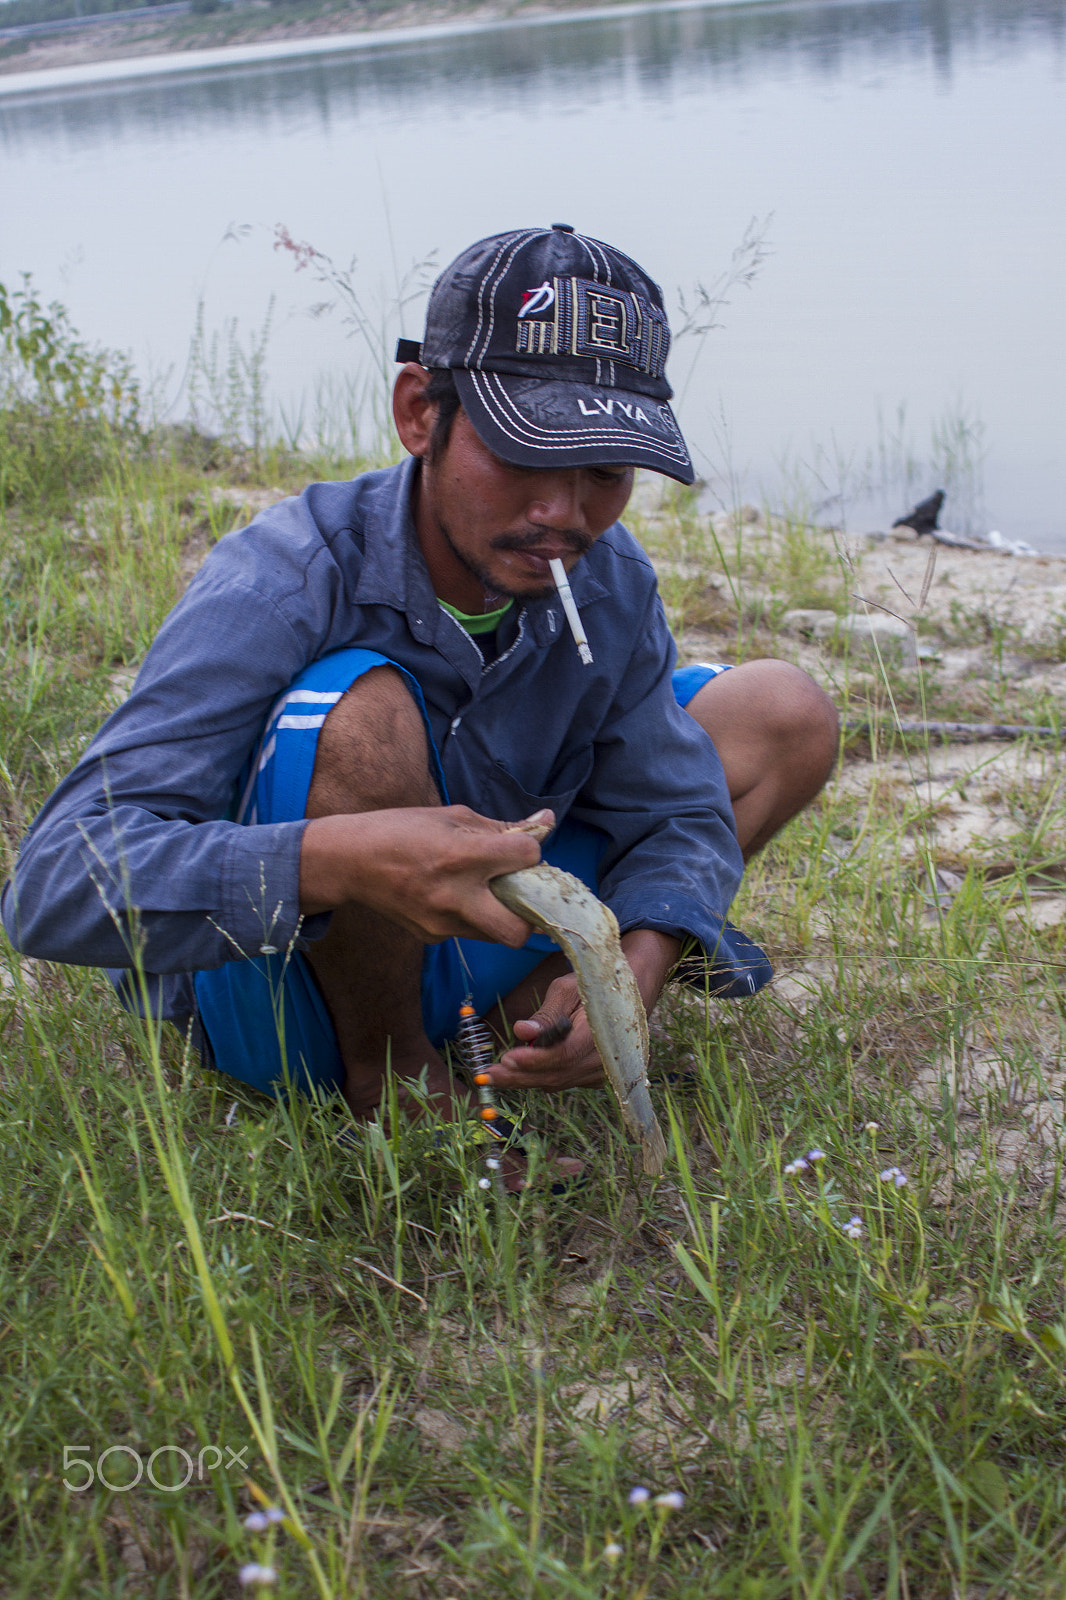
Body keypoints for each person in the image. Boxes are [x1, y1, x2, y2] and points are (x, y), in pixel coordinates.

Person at [1, 225, 837, 1187]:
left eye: (606, 471)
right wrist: (338, 860)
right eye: (526, 454)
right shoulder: (279, 579)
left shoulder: (606, 579)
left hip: (476, 933)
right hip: (280, 991)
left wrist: (641, 961)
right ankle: (395, 1081)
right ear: (417, 412)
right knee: (355, 710)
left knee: (779, 708)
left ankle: (528, 1025)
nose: (564, 513)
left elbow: (679, 806)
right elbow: (52, 886)